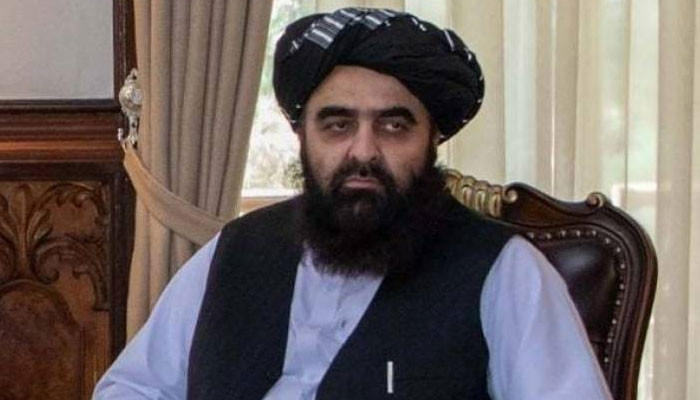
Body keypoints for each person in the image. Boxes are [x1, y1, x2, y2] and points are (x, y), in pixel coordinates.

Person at [94, 7, 612, 400]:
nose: (363, 152)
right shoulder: (235, 251)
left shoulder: (503, 271)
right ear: (302, 135)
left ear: (432, 140)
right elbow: (132, 388)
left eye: (394, 125)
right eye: (338, 125)